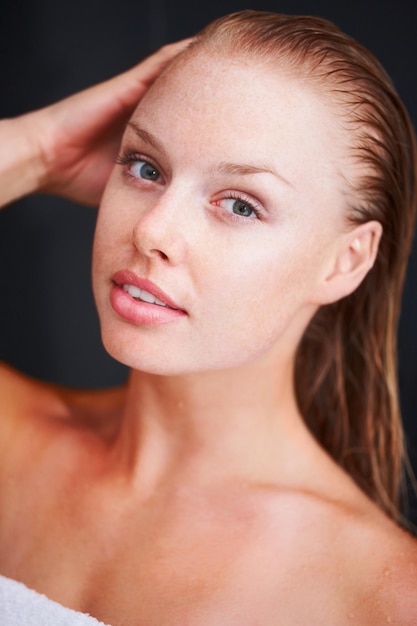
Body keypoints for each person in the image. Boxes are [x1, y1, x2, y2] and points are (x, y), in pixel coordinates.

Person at [1, 9, 417, 625]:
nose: (151, 230)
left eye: (241, 205)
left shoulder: (384, 597)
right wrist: (36, 150)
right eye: (146, 167)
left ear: (345, 262)